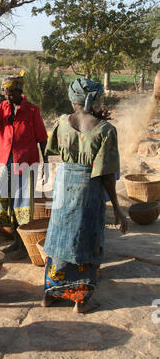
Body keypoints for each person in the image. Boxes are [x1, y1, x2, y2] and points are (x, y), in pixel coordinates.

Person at [41, 77, 128, 313]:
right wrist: (118, 209)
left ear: (73, 100)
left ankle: (50, 294)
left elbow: (52, 149)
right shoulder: (106, 130)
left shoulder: (62, 122)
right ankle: (81, 300)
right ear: (92, 99)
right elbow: (107, 174)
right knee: (85, 239)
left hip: (64, 184)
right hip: (88, 188)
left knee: (60, 236)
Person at [0, 71, 48, 256]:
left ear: (19, 91)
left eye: (10, 93)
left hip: (27, 163)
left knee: (22, 202)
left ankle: (22, 245)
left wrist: (46, 164)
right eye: (5, 92)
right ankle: (15, 241)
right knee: (5, 197)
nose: (7, 96)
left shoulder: (33, 111)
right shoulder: (3, 107)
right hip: (7, 162)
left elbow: (42, 138)